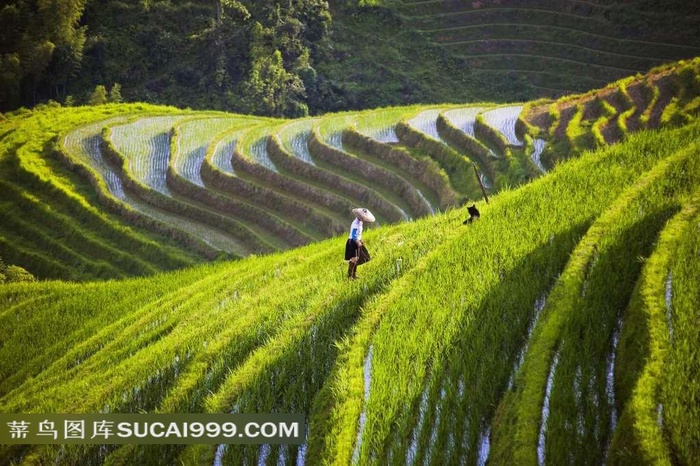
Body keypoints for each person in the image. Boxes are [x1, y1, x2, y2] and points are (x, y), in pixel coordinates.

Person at [345, 208, 375, 279]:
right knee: (354, 259)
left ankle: (353, 275)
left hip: (356, 241)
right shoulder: (356, 224)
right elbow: (354, 235)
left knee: (357, 258)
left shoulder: (360, 223)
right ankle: (350, 276)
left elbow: (358, 234)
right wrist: (358, 242)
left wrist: (360, 240)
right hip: (353, 242)